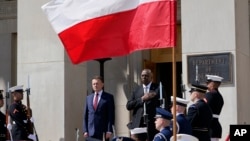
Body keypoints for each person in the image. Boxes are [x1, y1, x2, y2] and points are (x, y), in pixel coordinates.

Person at [126, 69, 161, 141]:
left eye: (146, 76)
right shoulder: (136, 90)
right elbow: (128, 106)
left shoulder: (158, 88)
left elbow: (163, 105)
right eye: (142, 76)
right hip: (139, 123)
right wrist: (142, 99)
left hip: (152, 122)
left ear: (151, 77)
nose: (144, 77)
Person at [83, 76, 115, 141]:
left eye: (97, 83)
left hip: (103, 131)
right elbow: (85, 115)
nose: (95, 85)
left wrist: (109, 130)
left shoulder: (109, 97)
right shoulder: (88, 98)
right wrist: (85, 130)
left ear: (102, 84)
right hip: (90, 131)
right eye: (93, 84)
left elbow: (111, 115)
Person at [204, 75, 224, 141]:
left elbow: (203, 108)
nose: (206, 84)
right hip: (215, 126)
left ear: (212, 84)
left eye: (208, 83)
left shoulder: (209, 95)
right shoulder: (219, 96)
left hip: (210, 126)